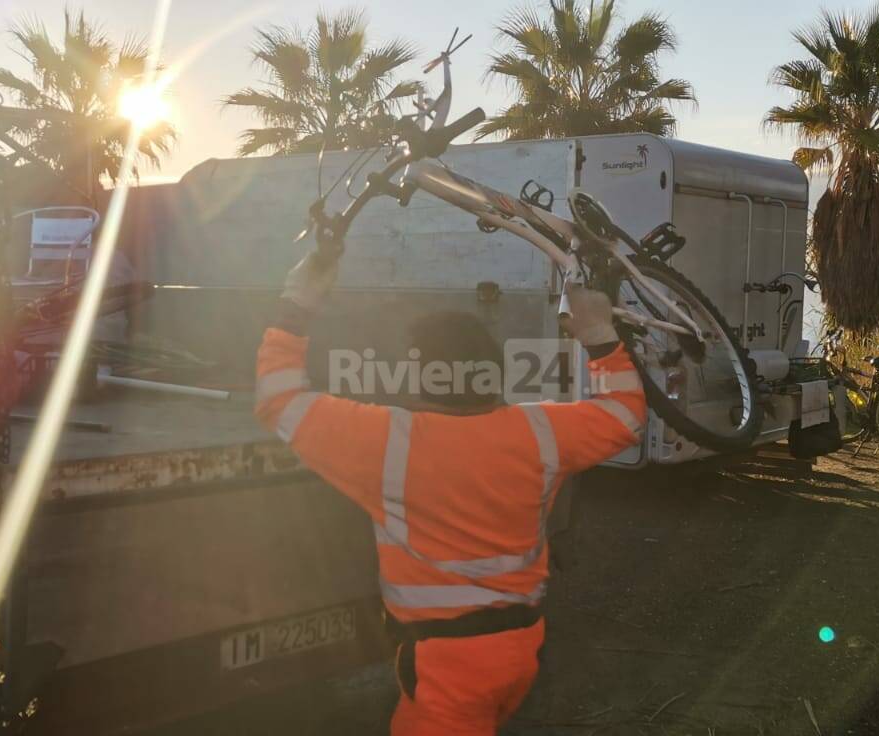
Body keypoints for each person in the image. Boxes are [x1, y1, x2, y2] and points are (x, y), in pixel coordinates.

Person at [253, 252, 647, 735]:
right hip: (522, 649)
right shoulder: (542, 430)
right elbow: (627, 414)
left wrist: (297, 303)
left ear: (419, 377)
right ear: (491, 372)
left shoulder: (386, 440)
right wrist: (599, 335)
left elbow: (278, 398)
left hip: (445, 668)